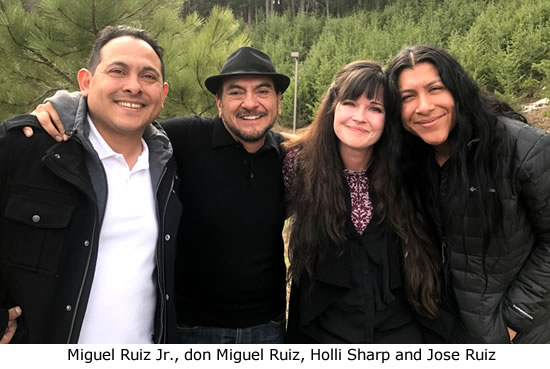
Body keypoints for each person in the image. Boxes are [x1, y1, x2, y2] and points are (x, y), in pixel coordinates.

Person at [28, 46, 290, 344]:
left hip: (268, 327)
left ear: (279, 102)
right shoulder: (179, 139)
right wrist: (65, 105)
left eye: (263, 91)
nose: (250, 103)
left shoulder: (288, 156)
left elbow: (326, 140)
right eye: (235, 92)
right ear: (218, 102)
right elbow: (120, 117)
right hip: (190, 329)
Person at [0, 25, 181, 343]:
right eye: (118, 71)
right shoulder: (27, 149)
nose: (134, 86)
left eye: (148, 76)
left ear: (163, 94)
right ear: (86, 81)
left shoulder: (169, 167)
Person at [387, 45, 550, 343]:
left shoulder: (524, 149)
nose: (423, 106)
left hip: (517, 339)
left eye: (435, 88)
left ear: (458, 89)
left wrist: (515, 319)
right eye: (407, 97)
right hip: (441, 333)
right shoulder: (409, 159)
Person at [283, 61, 454, 343]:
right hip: (321, 330)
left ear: (389, 118)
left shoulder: (408, 167)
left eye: (375, 108)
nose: (360, 117)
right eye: (350, 103)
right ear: (332, 107)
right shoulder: (297, 164)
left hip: (398, 328)